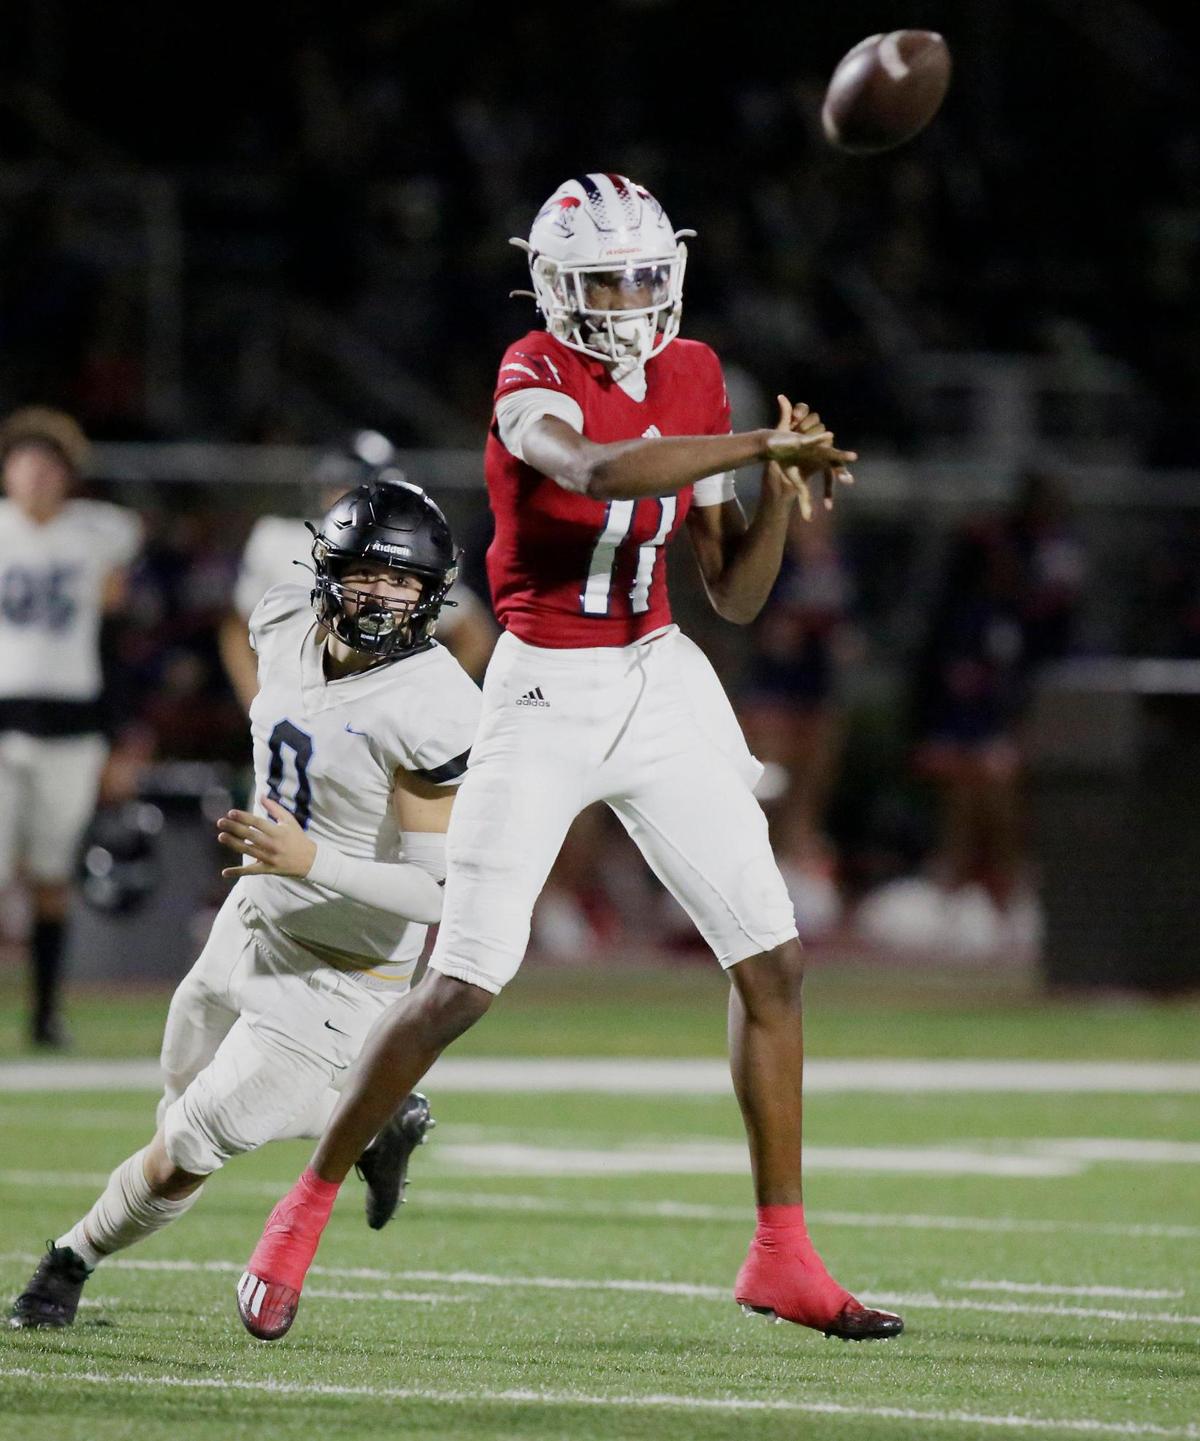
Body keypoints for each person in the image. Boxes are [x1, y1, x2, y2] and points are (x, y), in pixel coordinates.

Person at [237, 173, 903, 1344]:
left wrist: (780, 495)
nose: (632, 300)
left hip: (655, 678)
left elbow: (734, 598)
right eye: (606, 280)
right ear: (552, 285)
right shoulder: (529, 372)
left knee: (774, 961)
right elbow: (593, 470)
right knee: (463, 983)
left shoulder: (693, 371)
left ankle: (780, 1254)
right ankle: (302, 1209)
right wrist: (751, 438)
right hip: (541, 687)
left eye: (648, 275)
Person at [9, 477, 480, 1329]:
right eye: (370, 573)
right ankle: (372, 1119)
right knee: (177, 1093)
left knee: (189, 1143)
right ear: (328, 571)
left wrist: (315, 858)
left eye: (408, 582)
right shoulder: (281, 618)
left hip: (343, 970)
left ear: (433, 592)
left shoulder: (433, 704)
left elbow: (438, 886)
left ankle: (65, 1265)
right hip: (253, 917)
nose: (386, 596)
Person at [0, 407, 142, 1048]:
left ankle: (45, 1012)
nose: (34, 475)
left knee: (53, 877)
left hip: (72, 726)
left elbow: (116, 632)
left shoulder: (100, 533)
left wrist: (120, 734)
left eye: (48, 464)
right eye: (24, 461)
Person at [219, 441, 495, 711]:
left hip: (379, 716)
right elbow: (236, 632)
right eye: (337, 480)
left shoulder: (415, 549)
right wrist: (259, 704)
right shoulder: (279, 540)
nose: (339, 491)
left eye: (355, 481)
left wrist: (422, 706)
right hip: (300, 706)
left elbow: (475, 637)